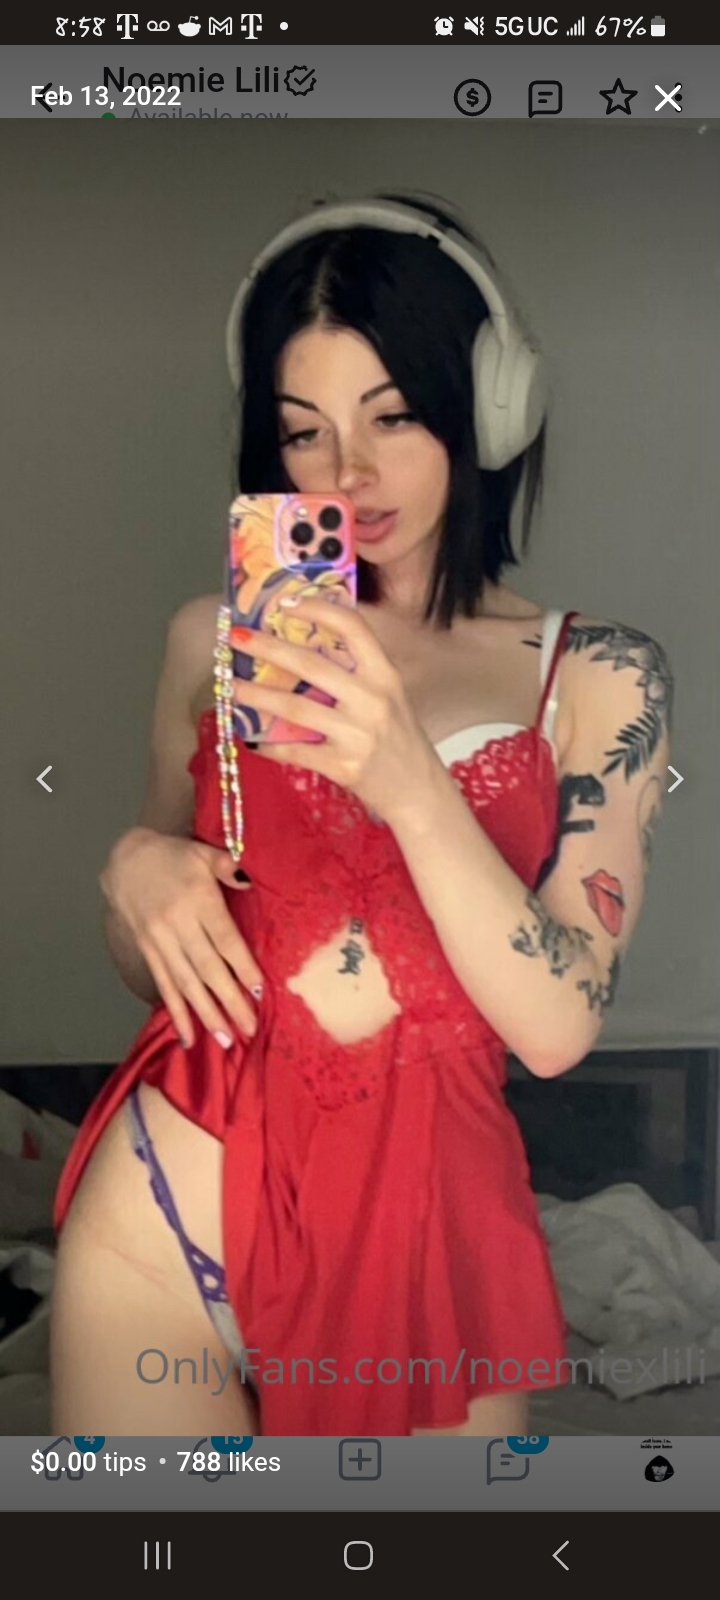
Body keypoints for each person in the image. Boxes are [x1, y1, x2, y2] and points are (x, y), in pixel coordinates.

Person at [49, 194, 672, 1437]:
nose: (348, 474)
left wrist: (405, 775)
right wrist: (137, 869)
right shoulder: (211, 642)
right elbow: (158, 963)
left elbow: (559, 1024)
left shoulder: (602, 674)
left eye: (393, 416)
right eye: (304, 431)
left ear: (487, 408)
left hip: (424, 1234)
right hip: (171, 1204)